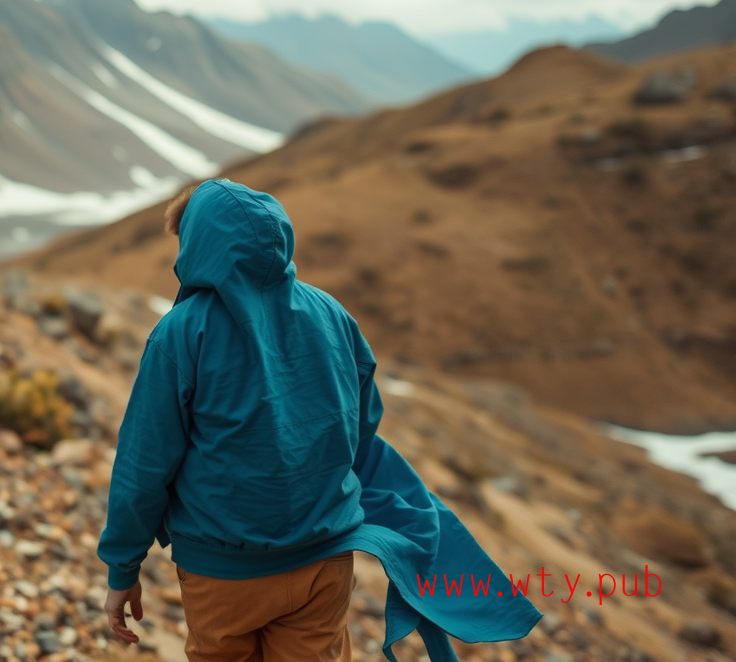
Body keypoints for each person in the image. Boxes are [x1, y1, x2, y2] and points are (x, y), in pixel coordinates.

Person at [97, 180, 539, 662]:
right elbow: (361, 424)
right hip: (323, 561)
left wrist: (123, 568)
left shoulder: (181, 332)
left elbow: (143, 465)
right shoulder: (332, 314)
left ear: (198, 245)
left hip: (223, 571)